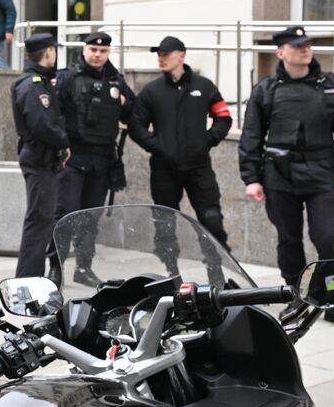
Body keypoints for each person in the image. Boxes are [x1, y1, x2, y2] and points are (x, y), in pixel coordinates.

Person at [239, 26, 334, 330]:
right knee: (289, 239)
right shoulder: (265, 90)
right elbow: (251, 136)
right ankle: (299, 295)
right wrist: (251, 178)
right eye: (296, 45)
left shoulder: (332, 87)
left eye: (307, 44)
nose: (304, 49)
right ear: (281, 52)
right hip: (279, 176)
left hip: (323, 173)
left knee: (329, 238)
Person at [128, 36, 233, 272]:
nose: (161, 58)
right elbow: (136, 125)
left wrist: (207, 141)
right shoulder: (152, 91)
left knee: (212, 219)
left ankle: (216, 270)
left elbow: (224, 116)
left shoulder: (204, 86)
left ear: (181, 56)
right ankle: (171, 273)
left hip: (198, 167)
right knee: (165, 224)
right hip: (164, 169)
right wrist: (157, 147)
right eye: (159, 55)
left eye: (166, 54)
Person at [52, 31, 135, 286]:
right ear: (84, 50)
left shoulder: (116, 80)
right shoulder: (67, 77)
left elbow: (134, 111)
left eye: (103, 51)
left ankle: (83, 268)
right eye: (93, 50)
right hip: (73, 159)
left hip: (101, 161)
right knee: (64, 214)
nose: (98, 55)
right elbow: (54, 113)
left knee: (91, 217)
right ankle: (55, 269)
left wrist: (124, 102)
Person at [12, 33, 70, 278]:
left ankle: (30, 277)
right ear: (49, 52)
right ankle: (27, 280)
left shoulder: (39, 81)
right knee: (39, 223)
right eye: (54, 51)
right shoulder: (34, 84)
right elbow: (41, 125)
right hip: (39, 159)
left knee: (41, 222)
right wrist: (65, 141)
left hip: (42, 159)